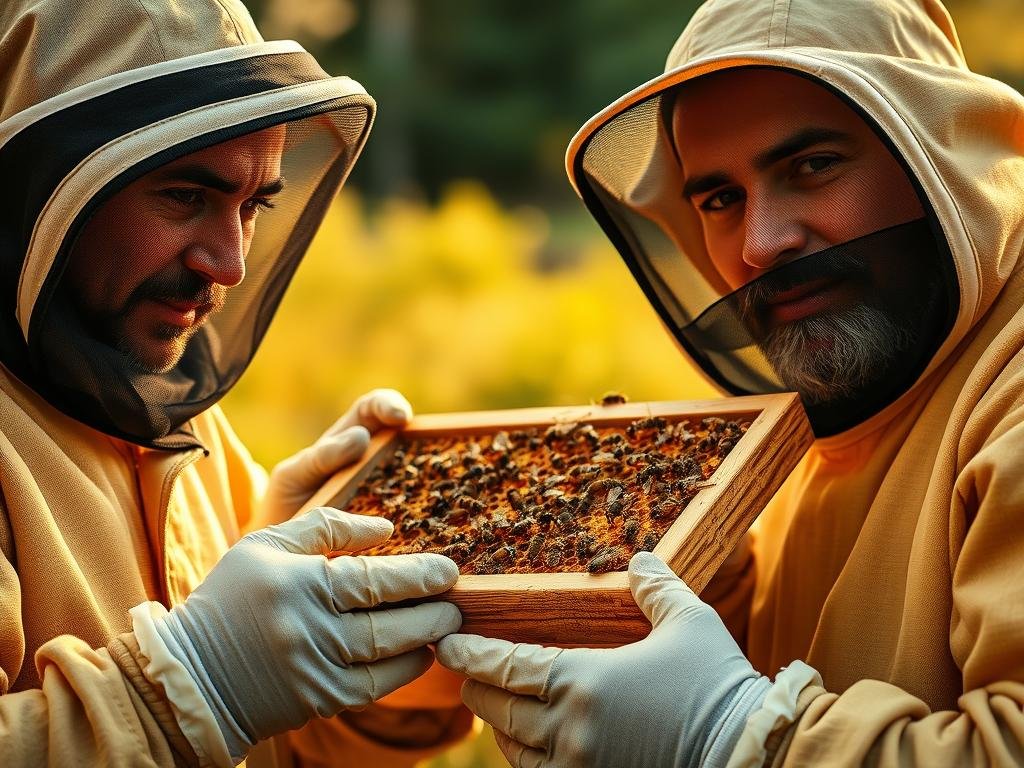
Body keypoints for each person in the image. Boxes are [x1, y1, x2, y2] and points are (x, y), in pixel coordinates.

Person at [437, 0, 1024, 765]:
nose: (760, 244)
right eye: (719, 199)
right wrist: (698, 585)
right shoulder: (831, 411)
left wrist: (734, 733)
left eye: (812, 167)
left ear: (939, 157)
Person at [0, 0, 472, 765]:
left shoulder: (176, 410)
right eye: (187, 196)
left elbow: (280, 749)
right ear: (37, 187)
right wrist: (200, 684)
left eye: (255, 205)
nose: (230, 264)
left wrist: (386, 649)